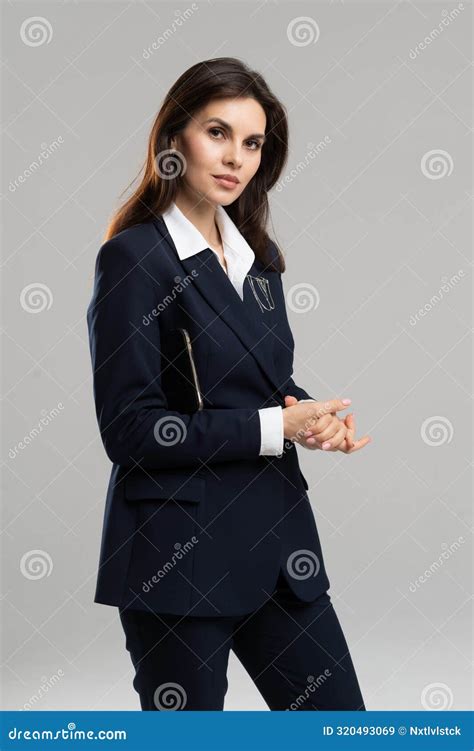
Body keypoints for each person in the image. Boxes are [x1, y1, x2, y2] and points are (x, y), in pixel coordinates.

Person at [86, 57, 371, 711]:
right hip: (178, 560)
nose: (235, 157)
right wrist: (277, 427)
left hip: (277, 549)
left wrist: (313, 415)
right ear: (174, 138)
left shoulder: (258, 258)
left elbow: (257, 380)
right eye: (217, 132)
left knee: (341, 727)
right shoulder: (135, 259)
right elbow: (130, 428)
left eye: (252, 142)